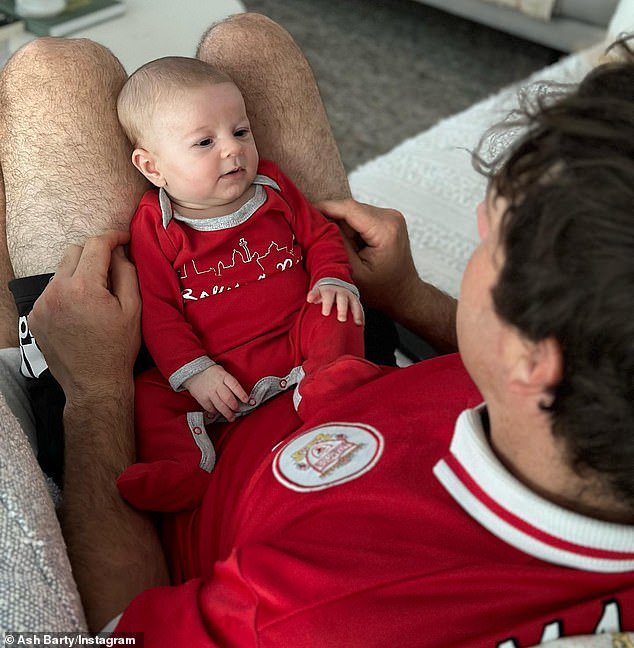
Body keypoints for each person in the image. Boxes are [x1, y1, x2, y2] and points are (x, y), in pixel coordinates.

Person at [0, 13, 632, 647]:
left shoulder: (308, 618)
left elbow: (116, 636)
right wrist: (407, 296)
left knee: (51, 72)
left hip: (153, 424)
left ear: (534, 357)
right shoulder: (590, 396)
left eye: (492, 241)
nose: (477, 222)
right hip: (342, 346)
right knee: (248, 42)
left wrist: (94, 391)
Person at [114, 56, 365, 512]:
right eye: (205, 142)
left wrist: (333, 276)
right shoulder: (157, 225)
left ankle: (332, 387)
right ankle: (185, 468)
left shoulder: (272, 186)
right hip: (217, 368)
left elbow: (320, 235)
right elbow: (158, 310)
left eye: (241, 131)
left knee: (335, 311)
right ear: (152, 167)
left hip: (296, 340)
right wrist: (196, 371)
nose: (232, 150)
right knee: (147, 398)